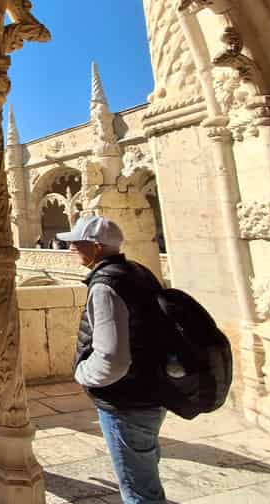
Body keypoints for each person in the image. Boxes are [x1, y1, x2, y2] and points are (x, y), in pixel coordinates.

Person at [58, 216, 168, 504]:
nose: (70, 248)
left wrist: (82, 375)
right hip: (153, 390)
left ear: (95, 247)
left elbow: (113, 357)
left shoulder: (106, 285)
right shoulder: (139, 272)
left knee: (138, 491)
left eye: (77, 243)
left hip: (124, 400)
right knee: (146, 473)